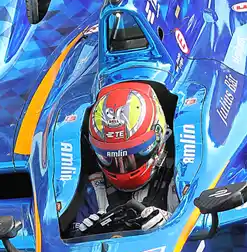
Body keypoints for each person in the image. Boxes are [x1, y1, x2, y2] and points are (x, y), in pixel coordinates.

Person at [72, 81, 178, 236]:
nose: (122, 167)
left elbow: (202, 223)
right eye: (110, 158)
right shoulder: (94, 188)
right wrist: (82, 237)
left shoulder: (179, 179)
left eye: (132, 155)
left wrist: (173, 223)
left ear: (159, 138)